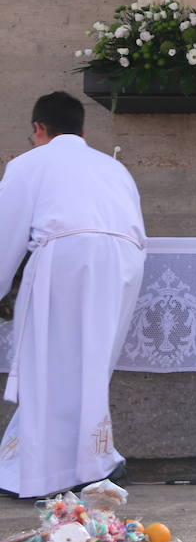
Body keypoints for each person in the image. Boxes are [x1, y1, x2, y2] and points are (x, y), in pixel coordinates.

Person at [0, 91, 146, 498]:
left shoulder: (28, 162)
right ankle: (95, 460)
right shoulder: (113, 167)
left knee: (49, 365)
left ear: (38, 129)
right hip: (124, 263)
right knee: (91, 367)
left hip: (68, 255)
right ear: (83, 131)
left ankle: (57, 472)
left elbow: (6, 232)